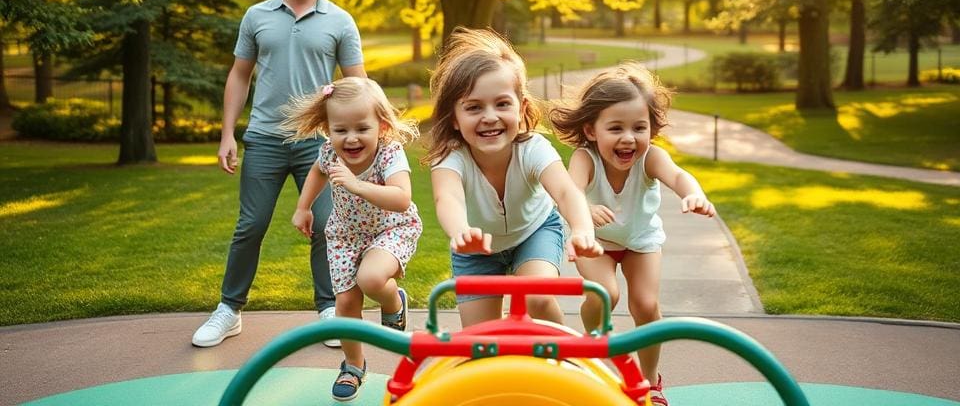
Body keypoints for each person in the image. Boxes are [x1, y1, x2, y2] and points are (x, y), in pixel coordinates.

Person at [192, 0, 365, 349]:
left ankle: (330, 310)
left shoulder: (340, 21)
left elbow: (358, 85)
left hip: (318, 143)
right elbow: (239, 75)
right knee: (251, 225)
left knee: (327, 224)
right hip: (265, 138)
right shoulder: (257, 16)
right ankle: (229, 310)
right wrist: (227, 134)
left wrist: (358, 140)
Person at [549, 62, 716, 406]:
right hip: (595, 241)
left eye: (639, 128)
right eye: (616, 128)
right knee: (605, 295)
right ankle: (593, 344)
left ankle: (650, 381)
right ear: (591, 130)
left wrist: (693, 194)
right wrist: (585, 209)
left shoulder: (651, 157)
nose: (629, 138)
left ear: (651, 129)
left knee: (646, 304)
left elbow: (678, 176)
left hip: (641, 242)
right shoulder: (585, 158)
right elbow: (569, 191)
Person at [426, 27, 603, 328]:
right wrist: (461, 232)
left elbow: (565, 192)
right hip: (476, 249)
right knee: (481, 338)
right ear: (454, 118)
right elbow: (448, 197)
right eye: (474, 107)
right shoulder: (450, 158)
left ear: (522, 109)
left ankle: (561, 349)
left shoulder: (532, 148)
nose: (490, 117)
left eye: (502, 104)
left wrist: (582, 229)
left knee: (538, 298)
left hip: (535, 232)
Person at [285, 76, 422, 402]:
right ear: (327, 129)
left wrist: (357, 185)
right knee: (345, 303)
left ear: (382, 126)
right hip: (346, 235)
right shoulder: (329, 153)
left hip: (391, 228)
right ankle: (353, 366)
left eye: (362, 128)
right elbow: (317, 171)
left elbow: (402, 198)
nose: (351, 138)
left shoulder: (390, 153)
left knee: (371, 278)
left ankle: (393, 302)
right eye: (340, 129)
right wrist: (303, 207)